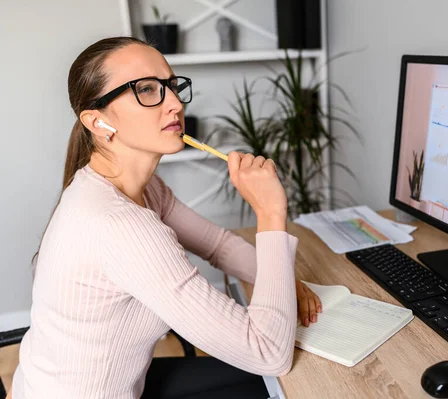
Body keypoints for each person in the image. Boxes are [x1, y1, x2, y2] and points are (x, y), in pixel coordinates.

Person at [9, 36, 322, 399]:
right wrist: (270, 212)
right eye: (145, 90)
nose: (174, 103)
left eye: (172, 86)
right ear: (97, 121)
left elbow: (218, 246)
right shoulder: (119, 225)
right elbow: (268, 353)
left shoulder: (139, 188)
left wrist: (283, 280)